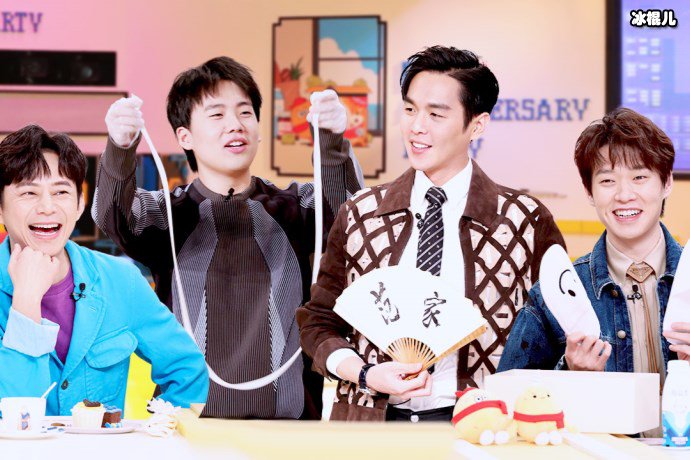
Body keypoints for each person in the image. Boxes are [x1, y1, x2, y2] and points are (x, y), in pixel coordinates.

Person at [297, 46, 565, 422]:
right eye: (410, 110)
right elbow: (318, 322)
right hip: (370, 425)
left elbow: (556, 335)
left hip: (480, 427)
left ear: (477, 124)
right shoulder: (361, 214)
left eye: (436, 114)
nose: (416, 127)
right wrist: (364, 373)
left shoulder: (524, 222)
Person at [92, 56, 364, 419]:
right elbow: (112, 215)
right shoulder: (167, 216)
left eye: (245, 112)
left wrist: (331, 141)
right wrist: (120, 148)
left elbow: (350, 212)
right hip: (187, 429)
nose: (235, 125)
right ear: (184, 136)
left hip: (289, 430)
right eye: (217, 115)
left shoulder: (296, 209)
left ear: (259, 128)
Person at [0, 125, 208, 416]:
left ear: (79, 204)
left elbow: (187, 369)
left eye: (61, 192)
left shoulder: (121, 281)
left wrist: (162, 430)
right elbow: (15, 418)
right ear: (1, 208)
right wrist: (25, 303)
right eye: (29, 193)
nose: (47, 207)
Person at [498, 107, 690, 376]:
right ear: (589, 192)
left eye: (639, 177)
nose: (624, 195)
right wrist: (572, 373)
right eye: (608, 180)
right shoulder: (554, 294)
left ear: (666, 182)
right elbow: (510, 390)